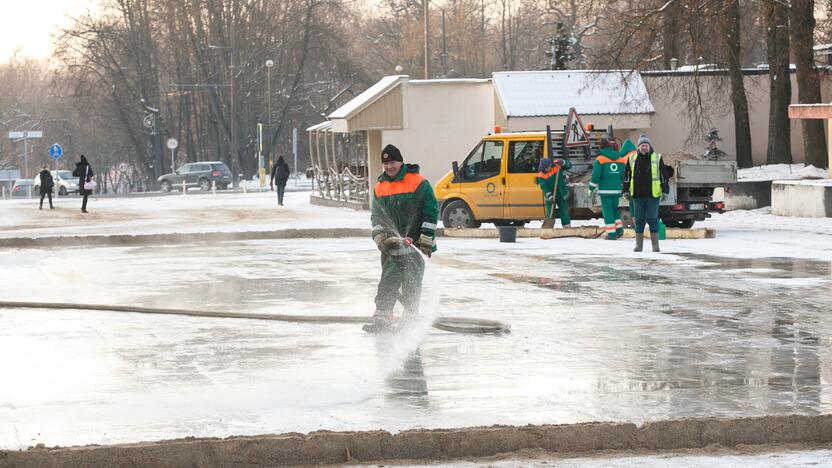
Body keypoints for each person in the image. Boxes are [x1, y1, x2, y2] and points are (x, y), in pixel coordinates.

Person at [367, 144, 438, 333]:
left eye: (392, 162)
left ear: (400, 162)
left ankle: (410, 315)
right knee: (388, 279)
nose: (389, 167)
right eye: (385, 163)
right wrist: (380, 237)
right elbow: (377, 216)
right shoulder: (380, 187)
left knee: (412, 280)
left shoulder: (418, 183)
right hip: (392, 245)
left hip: (416, 244)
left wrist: (425, 239)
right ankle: (383, 315)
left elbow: (431, 212)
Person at [622, 134, 672, 252]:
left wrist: (665, 191)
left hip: (652, 195)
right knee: (639, 220)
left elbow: (664, 176)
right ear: (638, 147)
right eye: (642, 145)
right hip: (637, 195)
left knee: (652, 219)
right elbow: (626, 177)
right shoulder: (632, 158)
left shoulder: (657, 158)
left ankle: (655, 246)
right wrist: (625, 191)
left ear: (650, 147)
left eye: (646, 145)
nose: (644, 147)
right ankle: (639, 246)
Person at [589, 138, 634, 240]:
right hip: (617, 190)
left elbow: (596, 176)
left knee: (607, 212)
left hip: (605, 191)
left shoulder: (600, 159)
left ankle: (611, 234)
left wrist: (591, 188)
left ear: (601, 147)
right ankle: (619, 231)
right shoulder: (620, 159)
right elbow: (624, 175)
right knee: (615, 211)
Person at [535, 157, 572, 228]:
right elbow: (545, 188)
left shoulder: (557, 165)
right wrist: (550, 196)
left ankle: (567, 227)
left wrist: (563, 162)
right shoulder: (541, 175)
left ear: (550, 165)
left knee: (564, 211)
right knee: (550, 214)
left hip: (562, 194)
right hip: (550, 196)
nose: (547, 169)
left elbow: (569, 166)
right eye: (545, 169)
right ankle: (548, 228)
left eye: (547, 168)